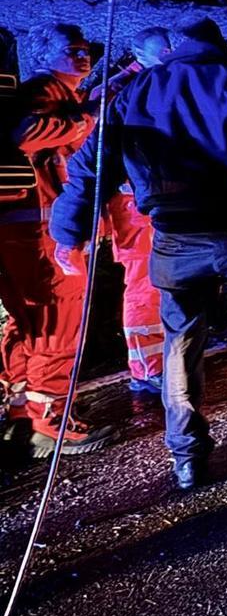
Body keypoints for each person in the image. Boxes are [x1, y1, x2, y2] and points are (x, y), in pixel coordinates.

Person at [51, 17, 227, 489]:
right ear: (219, 45)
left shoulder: (137, 93)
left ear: (172, 49)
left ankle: (187, 457)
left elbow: (91, 167)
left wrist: (69, 232)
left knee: (181, 343)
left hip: (175, 236)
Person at [0, 23, 114, 454]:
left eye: (85, 50)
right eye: (73, 50)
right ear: (45, 53)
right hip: (44, 233)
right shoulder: (43, 91)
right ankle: (51, 421)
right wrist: (87, 119)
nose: (84, 57)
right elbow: (25, 134)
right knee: (58, 322)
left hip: (24, 231)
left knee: (29, 322)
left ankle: (21, 412)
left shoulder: (57, 94)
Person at [99, 27, 173, 395]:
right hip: (133, 204)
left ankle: (161, 363)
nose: (171, 55)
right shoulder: (122, 90)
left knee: (161, 282)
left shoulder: (157, 83)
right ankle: (146, 369)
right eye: (165, 50)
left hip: (152, 199)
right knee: (145, 284)